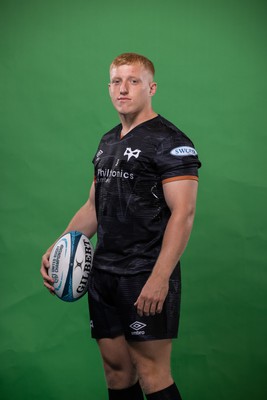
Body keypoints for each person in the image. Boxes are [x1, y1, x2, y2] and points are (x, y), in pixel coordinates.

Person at [41, 53, 201, 400]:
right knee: (116, 373)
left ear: (151, 87)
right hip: (104, 273)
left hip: (144, 273)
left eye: (133, 81)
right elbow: (93, 206)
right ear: (109, 87)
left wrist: (160, 278)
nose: (123, 89)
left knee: (152, 374)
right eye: (116, 81)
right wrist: (61, 245)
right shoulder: (108, 141)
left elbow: (183, 213)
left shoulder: (170, 142)